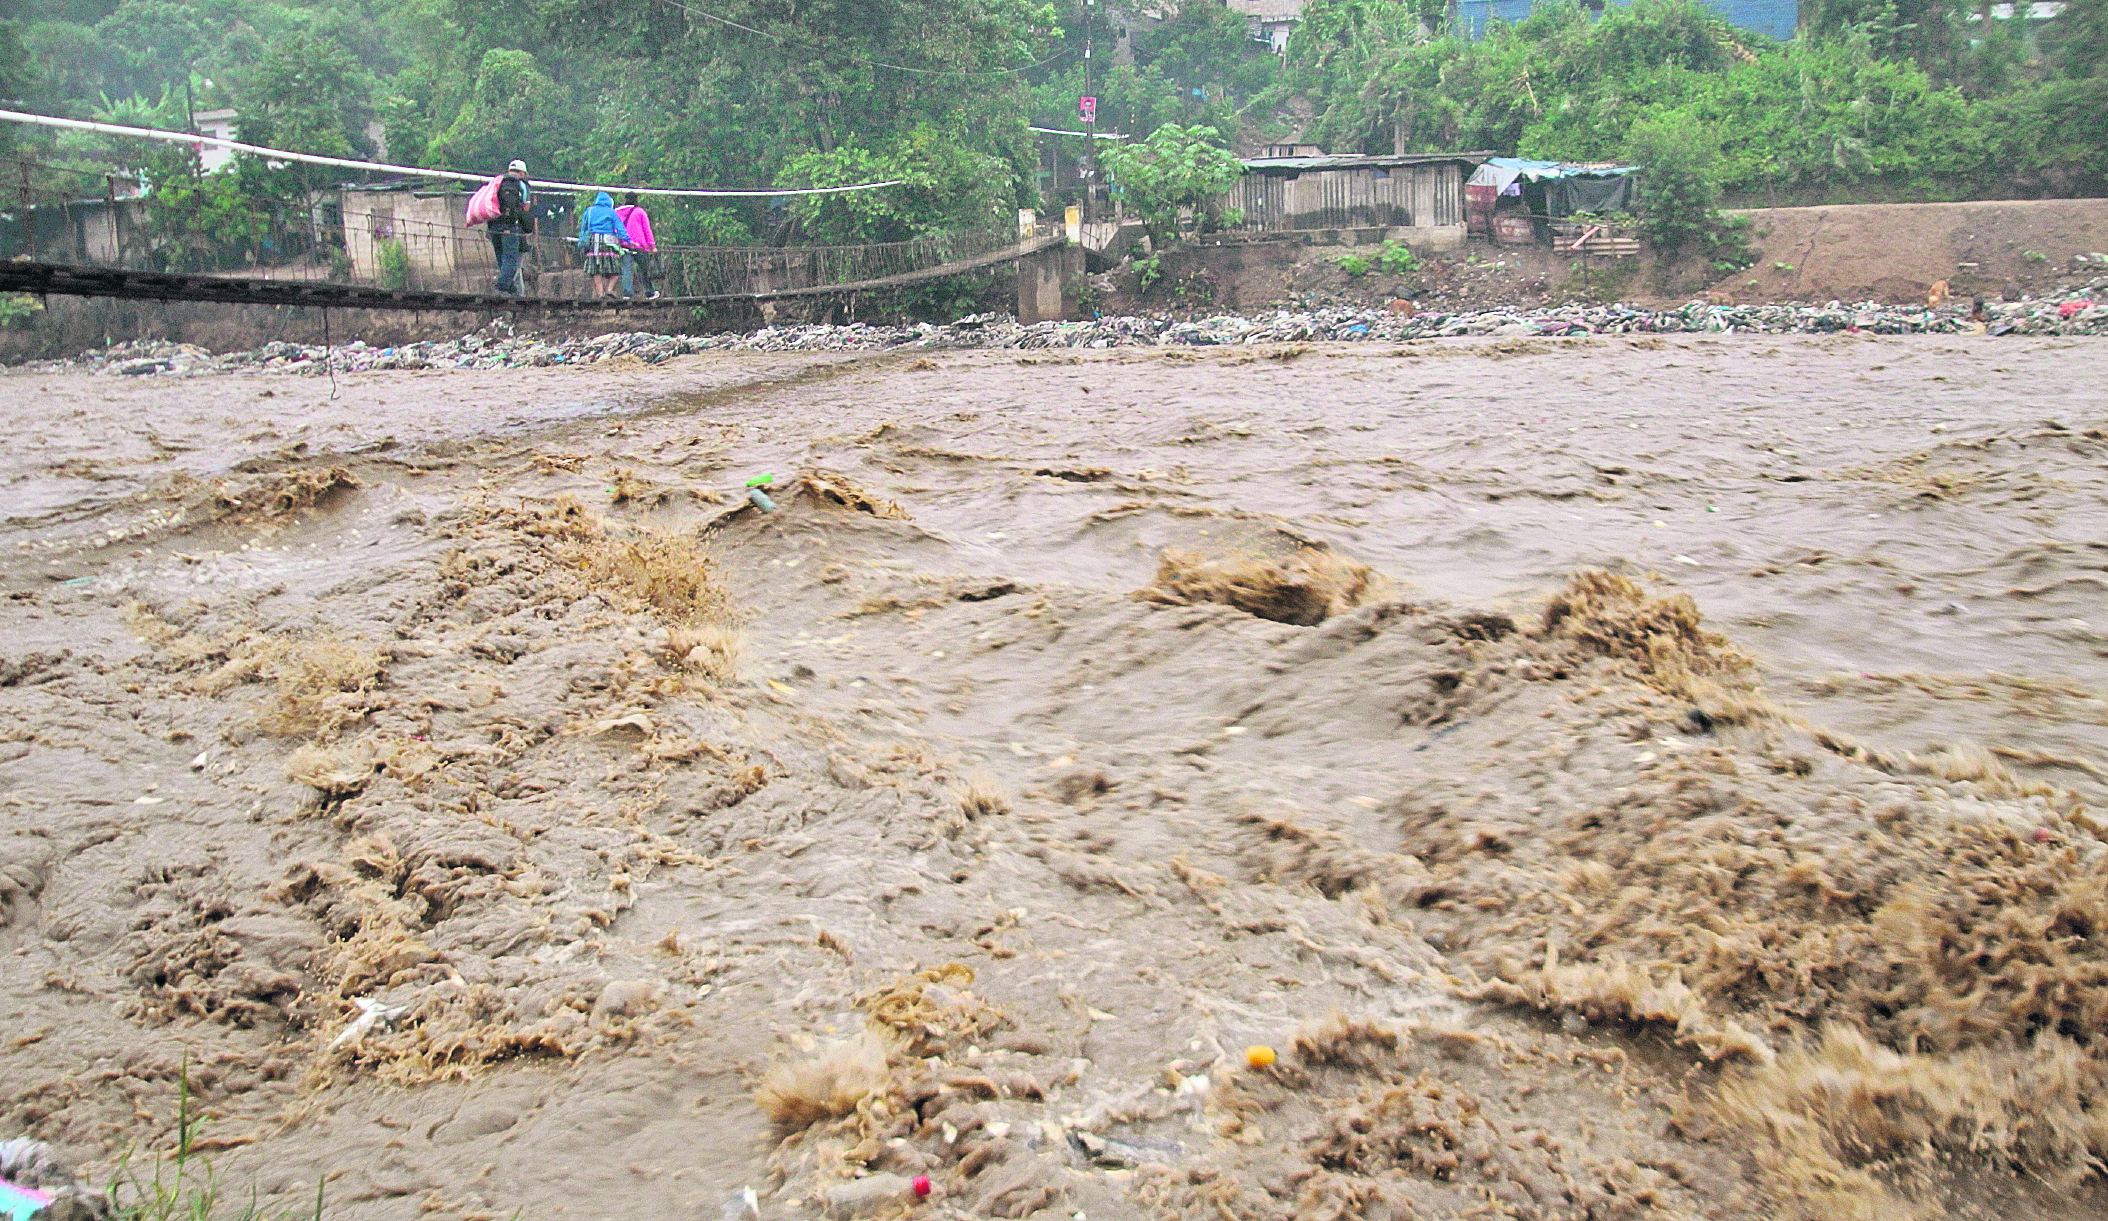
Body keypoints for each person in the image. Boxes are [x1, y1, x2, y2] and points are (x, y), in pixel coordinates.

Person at [490, 160, 534, 296]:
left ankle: (511, 291)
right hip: (511, 227)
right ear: (521, 173)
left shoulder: (497, 182)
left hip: (494, 227)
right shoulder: (521, 185)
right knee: (512, 261)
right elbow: (526, 208)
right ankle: (502, 290)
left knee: (502, 262)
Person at [577, 191, 627, 299]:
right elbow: (619, 227)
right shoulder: (611, 212)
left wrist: (581, 241)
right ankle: (609, 289)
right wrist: (627, 239)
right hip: (609, 242)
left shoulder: (589, 211)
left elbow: (583, 228)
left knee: (596, 269)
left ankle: (600, 293)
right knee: (616, 267)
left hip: (593, 242)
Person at [614, 192, 659, 300]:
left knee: (627, 269)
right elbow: (647, 229)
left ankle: (627, 294)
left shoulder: (616, 212)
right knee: (644, 269)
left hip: (623, 245)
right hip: (640, 245)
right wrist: (652, 246)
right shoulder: (639, 211)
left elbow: (614, 228)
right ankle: (650, 292)